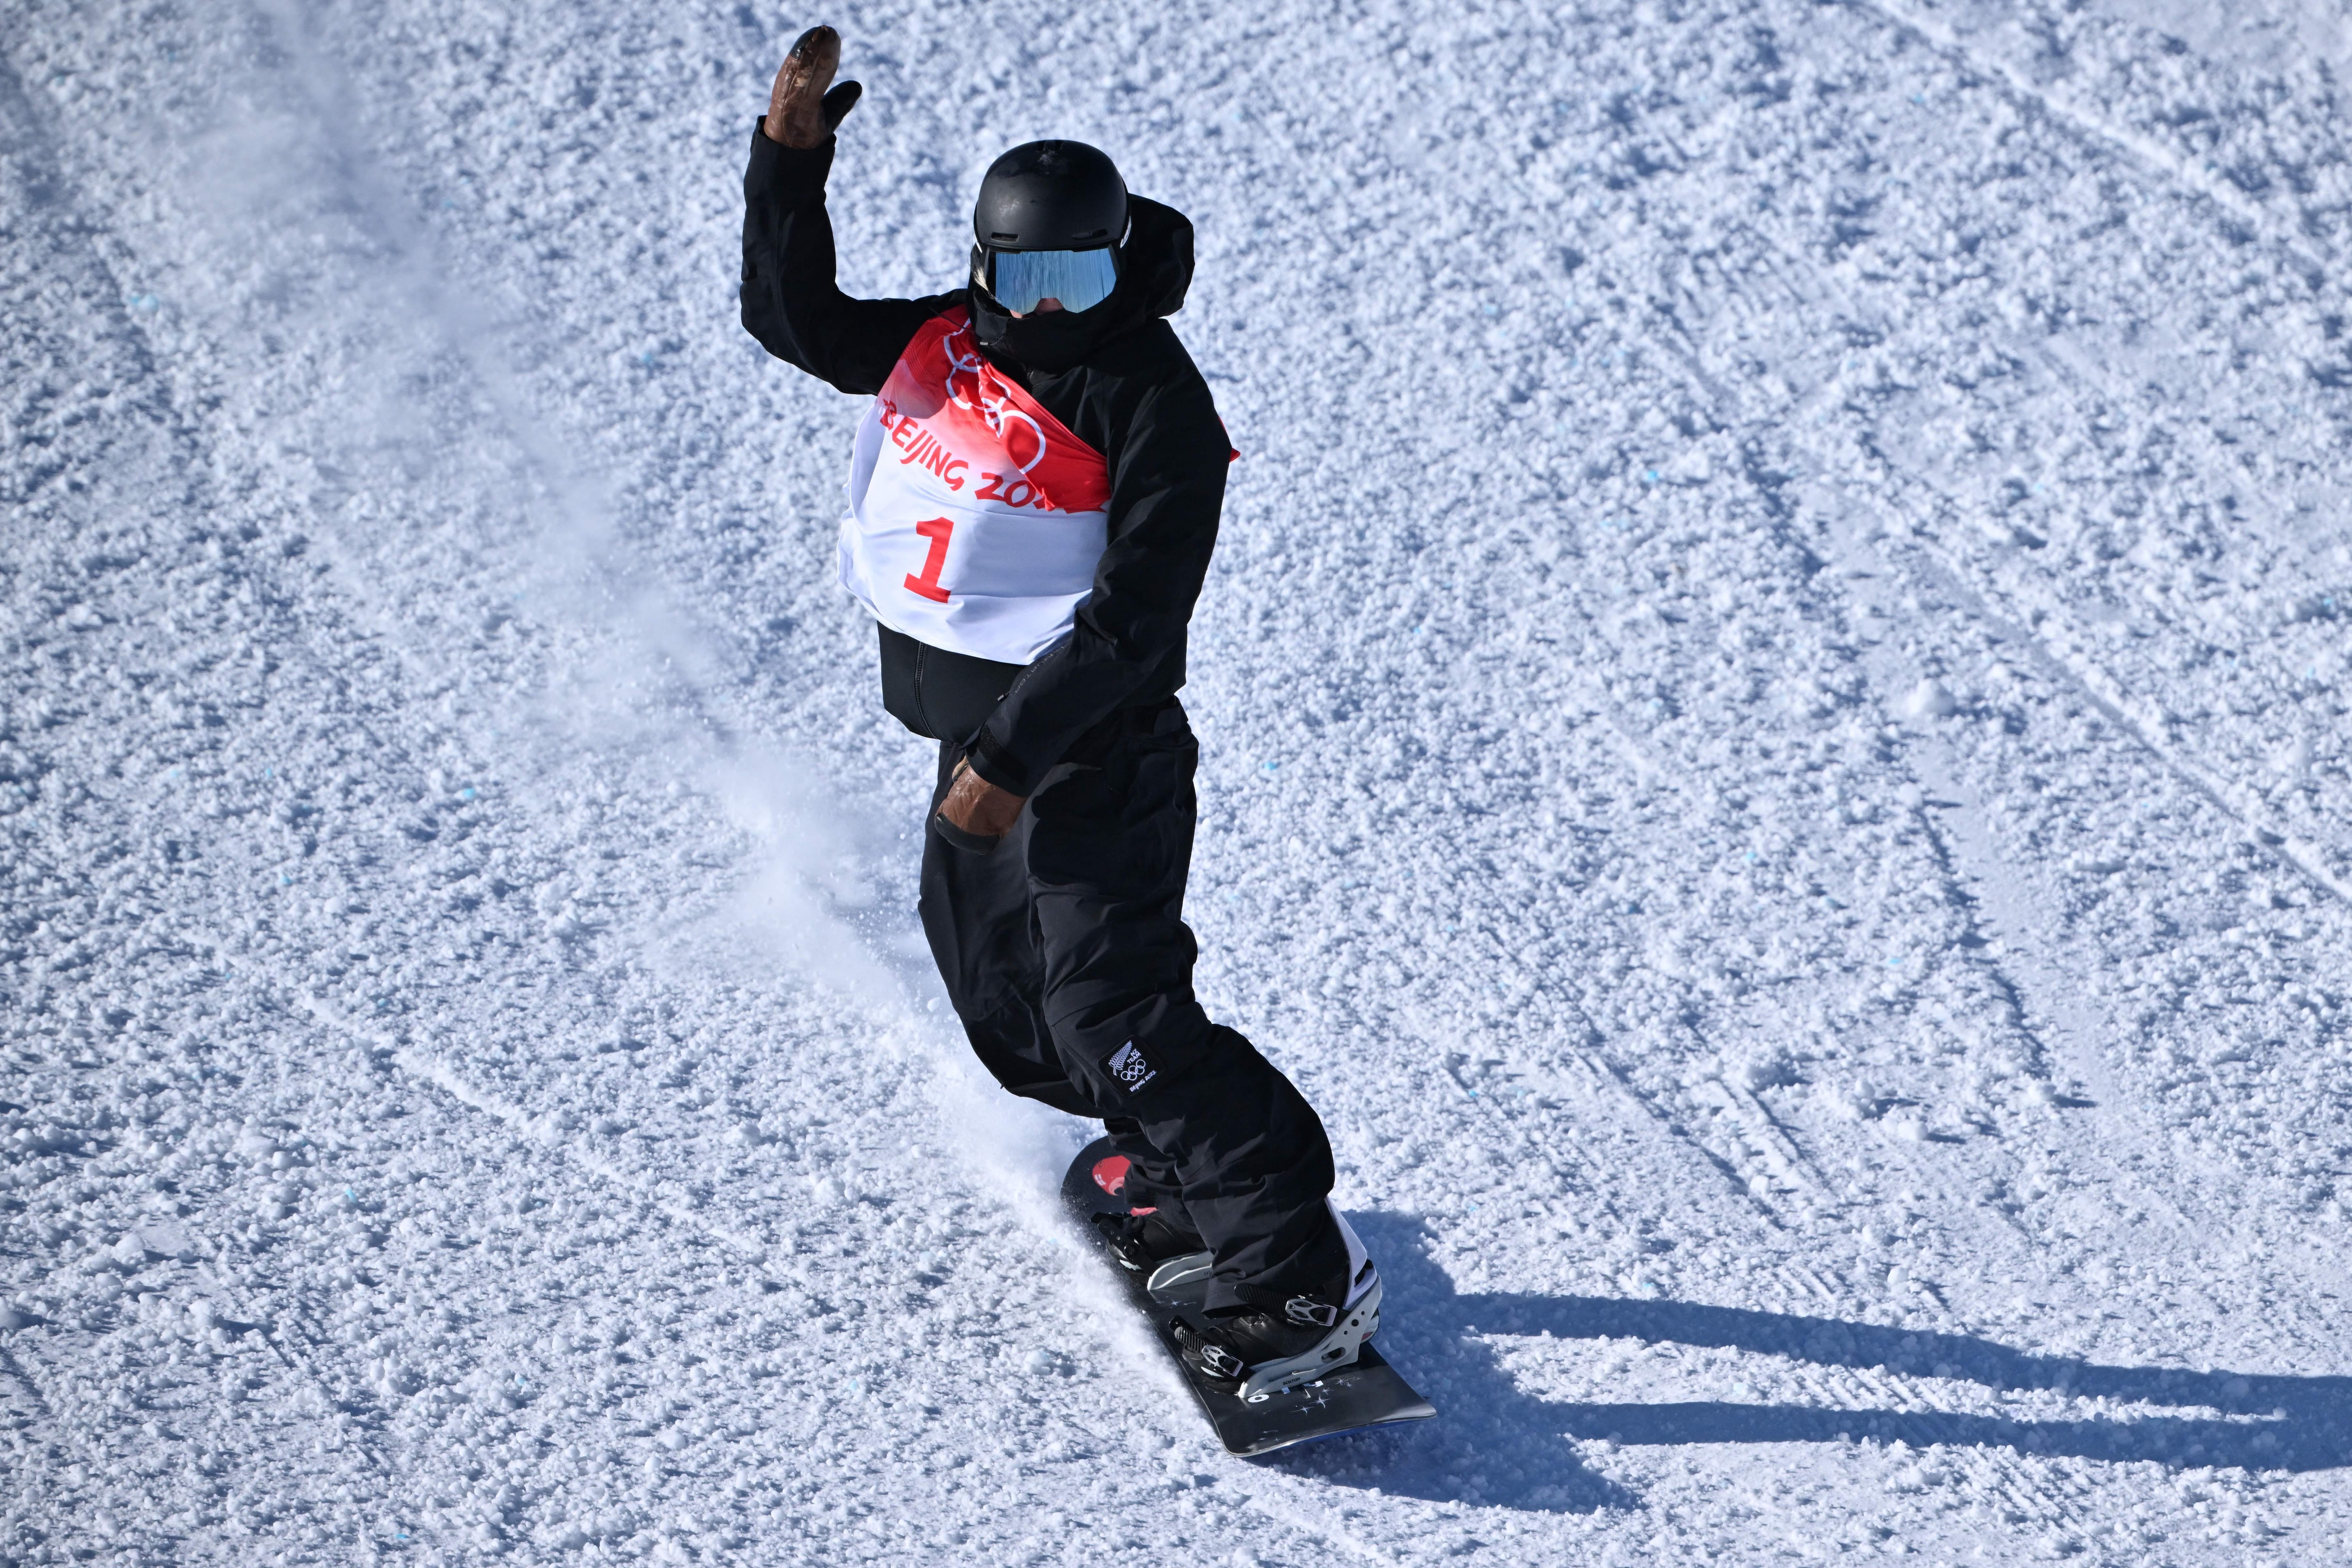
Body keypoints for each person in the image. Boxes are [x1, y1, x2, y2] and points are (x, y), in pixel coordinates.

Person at [738, 27, 1378, 1397]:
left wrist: (1014, 762)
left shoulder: (1154, 403)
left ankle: (1295, 1278)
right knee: (1008, 1015)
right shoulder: (952, 341)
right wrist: (790, 166)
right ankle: (1167, 1162)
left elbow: (1137, 625)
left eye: (1074, 275)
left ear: (1118, 256)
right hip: (978, 751)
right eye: (1019, 276)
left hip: (1093, 755)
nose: (1043, 305)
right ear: (985, 268)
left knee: (1114, 1010)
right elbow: (794, 324)